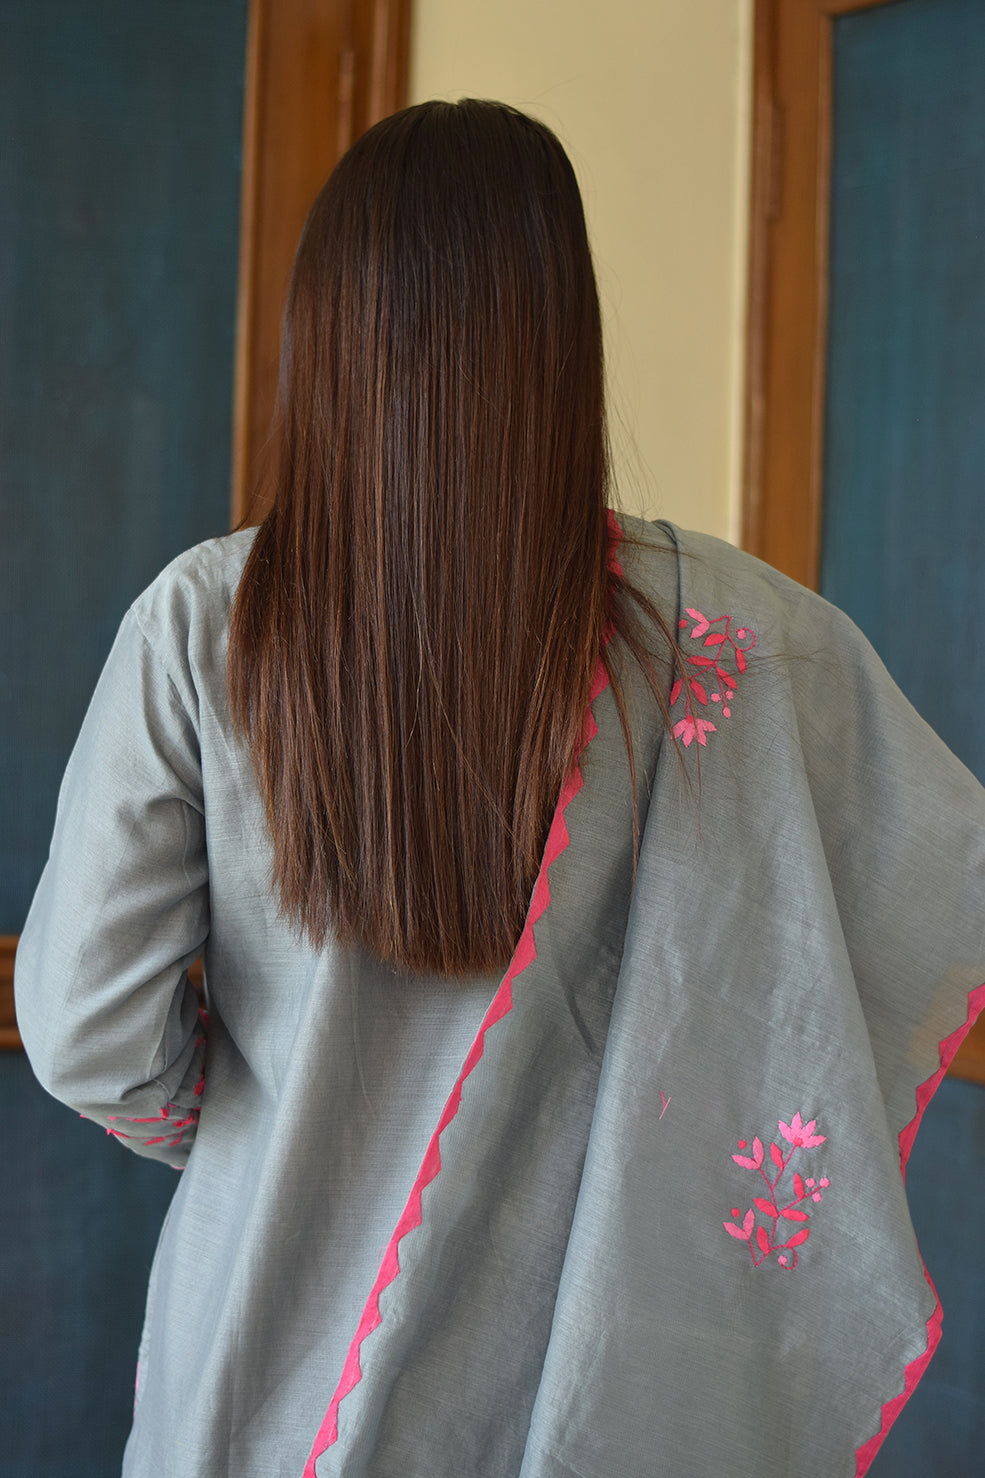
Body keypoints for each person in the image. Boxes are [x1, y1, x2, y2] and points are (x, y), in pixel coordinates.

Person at [14, 99, 985, 1478]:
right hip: (588, 1390)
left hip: (264, 1381)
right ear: (559, 334)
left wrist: (257, 1126)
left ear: (328, 335)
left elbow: (83, 1031)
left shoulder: (206, 623)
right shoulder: (735, 640)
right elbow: (930, 887)